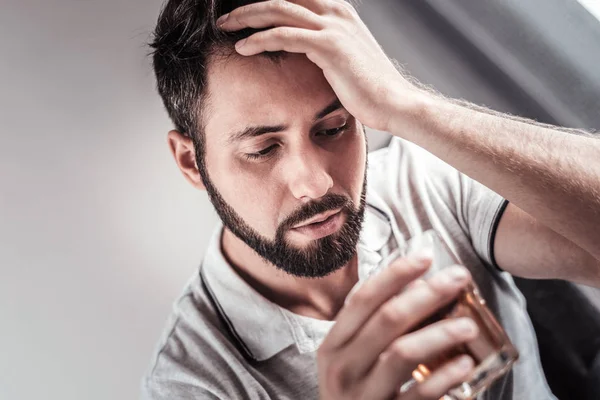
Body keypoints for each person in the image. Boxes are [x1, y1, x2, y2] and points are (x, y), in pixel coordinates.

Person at [141, 0, 600, 399]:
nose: (315, 184)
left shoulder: (420, 179)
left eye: (334, 128)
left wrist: (407, 104)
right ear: (191, 163)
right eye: (263, 150)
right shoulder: (190, 382)